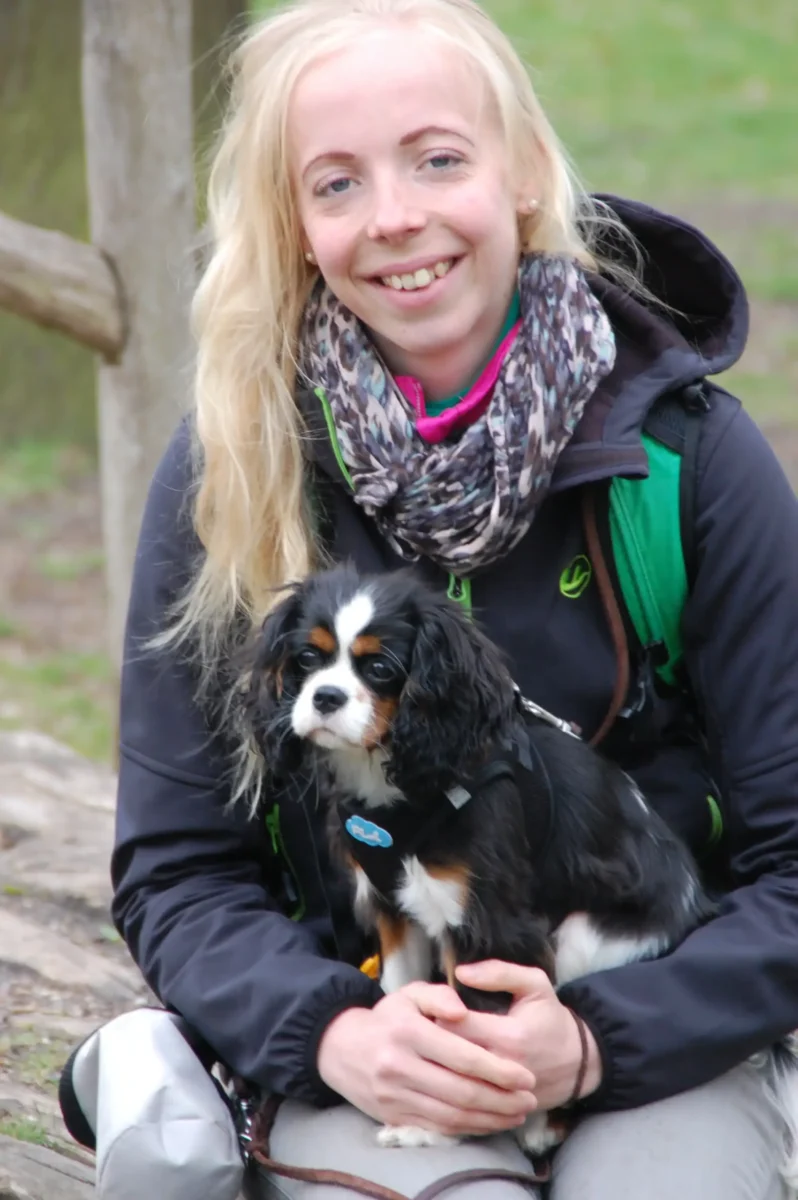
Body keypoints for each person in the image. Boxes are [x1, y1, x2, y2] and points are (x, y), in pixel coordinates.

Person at [111, 0, 798, 1196]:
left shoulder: (693, 462)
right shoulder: (235, 467)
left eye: (438, 159)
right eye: (335, 183)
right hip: (362, 1032)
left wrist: (596, 1043)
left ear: (526, 171)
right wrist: (335, 1030)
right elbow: (177, 868)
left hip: (657, 1022)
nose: (395, 219)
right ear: (294, 223)